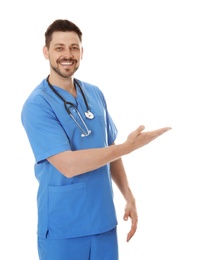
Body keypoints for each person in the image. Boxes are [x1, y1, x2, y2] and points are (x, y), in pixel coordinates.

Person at [21, 19, 171, 260]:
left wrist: (129, 196)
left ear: (82, 52)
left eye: (74, 47)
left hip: (103, 223)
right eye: (59, 48)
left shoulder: (94, 93)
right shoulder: (37, 105)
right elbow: (68, 165)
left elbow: (110, 149)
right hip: (64, 227)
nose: (67, 54)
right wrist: (127, 148)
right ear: (46, 52)